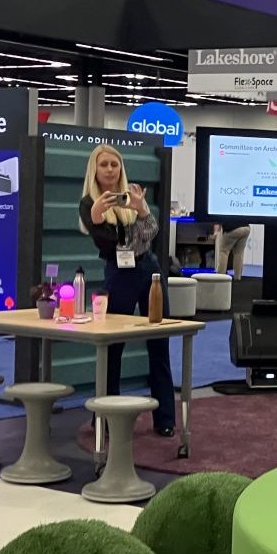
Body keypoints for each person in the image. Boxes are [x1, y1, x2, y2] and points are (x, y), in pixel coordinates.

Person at [78, 144, 175, 436]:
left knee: (159, 343)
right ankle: (106, 418)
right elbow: (111, 243)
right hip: (119, 274)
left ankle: (166, 420)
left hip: (149, 270)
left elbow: (151, 232)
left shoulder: (130, 195)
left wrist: (142, 209)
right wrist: (98, 217)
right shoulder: (89, 203)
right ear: (94, 169)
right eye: (104, 164)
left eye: (115, 164)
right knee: (113, 347)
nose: (110, 169)